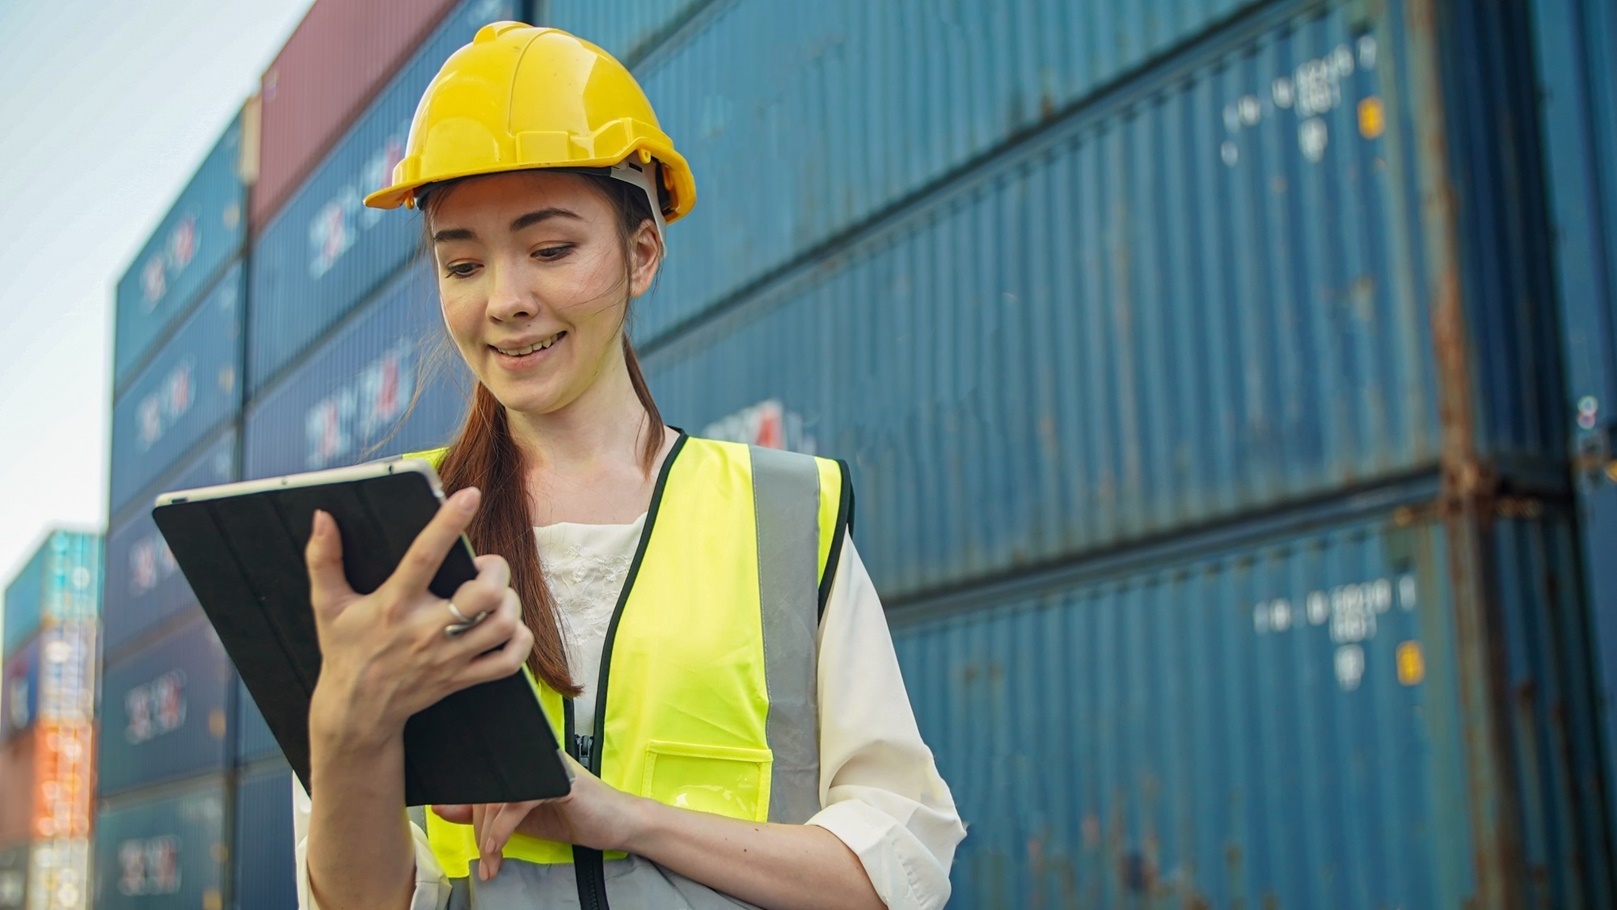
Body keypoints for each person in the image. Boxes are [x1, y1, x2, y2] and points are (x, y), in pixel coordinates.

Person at [291, 21, 964, 910]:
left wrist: (619, 817)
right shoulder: (393, 530)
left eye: (551, 249)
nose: (505, 301)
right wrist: (342, 737)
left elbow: (899, 874)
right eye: (462, 263)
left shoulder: (782, 512)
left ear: (641, 252)